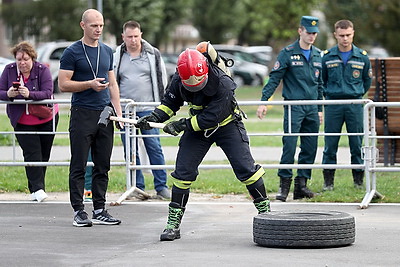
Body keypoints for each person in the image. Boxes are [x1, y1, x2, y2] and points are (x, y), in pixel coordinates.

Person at [137, 48, 271, 241]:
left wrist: (183, 124)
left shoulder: (223, 83)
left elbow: (211, 117)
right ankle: (173, 225)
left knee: (247, 170)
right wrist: (155, 116)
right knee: (182, 173)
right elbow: (170, 102)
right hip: (197, 128)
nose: (195, 88)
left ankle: (266, 215)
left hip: (226, 124)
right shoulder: (178, 78)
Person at [58, 8, 122, 227]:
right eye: (94, 25)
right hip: (82, 112)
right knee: (79, 163)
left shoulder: (107, 51)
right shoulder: (72, 52)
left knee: (103, 164)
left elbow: (112, 83)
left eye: (101, 25)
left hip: (105, 112)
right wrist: (88, 84)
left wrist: (119, 113)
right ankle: (78, 210)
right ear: (83, 25)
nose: (98, 29)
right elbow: (63, 84)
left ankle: (99, 209)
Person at [256, 16, 324, 202]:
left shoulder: (318, 55)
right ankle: (284, 185)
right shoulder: (288, 53)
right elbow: (275, 78)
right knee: (290, 146)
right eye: (309, 33)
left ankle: (301, 185)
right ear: (300, 31)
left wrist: (320, 108)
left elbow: (320, 85)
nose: (312, 36)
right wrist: (264, 101)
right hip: (294, 106)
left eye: (314, 33)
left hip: (312, 107)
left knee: (310, 147)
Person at [113, 20, 170, 199]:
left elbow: (163, 79)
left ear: (141, 35)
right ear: (123, 37)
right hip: (126, 110)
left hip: (148, 108)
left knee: (154, 146)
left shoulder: (153, 54)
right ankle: (137, 187)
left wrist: (160, 105)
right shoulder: (117, 55)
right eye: (129, 37)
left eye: (136, 36)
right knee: (130, 149)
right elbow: (113, 80)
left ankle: (161, 186)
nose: (133, 40)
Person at [0, 41, 59, 203]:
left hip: (46, 117)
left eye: (25, 59)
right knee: (32, 153)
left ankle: (36, 188)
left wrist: (29, 94)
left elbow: (48, 92)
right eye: (19, 59)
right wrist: (9, 94)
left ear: (32, 58)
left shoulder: (43, 70)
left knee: (43, 154)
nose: (22, 63)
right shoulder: (9, 70)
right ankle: (38, 189)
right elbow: (0, 92)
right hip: (22, 120)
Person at [321, 20, 372, 190]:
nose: (345, 39)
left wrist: (355, 93)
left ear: (353, 33)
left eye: (348, 35)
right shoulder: (327, 56)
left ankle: (358, 182)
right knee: (330, 145)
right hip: (333, 104)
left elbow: (366, 81)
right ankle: (328, 183)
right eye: (341, 35)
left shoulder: (362, 56)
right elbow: (322, 80)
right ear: (335, 35)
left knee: (356, 144)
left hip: (354, 104)